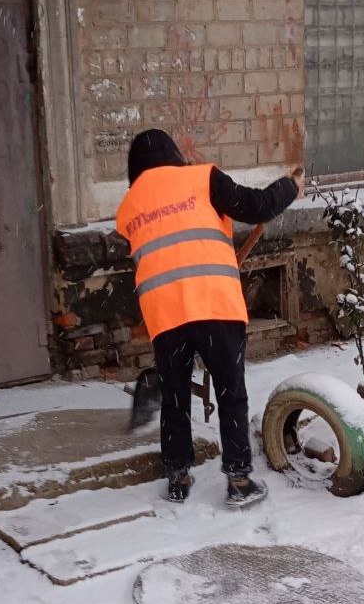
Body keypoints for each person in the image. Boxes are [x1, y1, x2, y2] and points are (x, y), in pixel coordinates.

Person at [116, 129, 305, 507]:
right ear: (174, 154)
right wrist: (290, 186)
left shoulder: (128, 208)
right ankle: (238, 481)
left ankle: (177, 476)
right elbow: (256, 207)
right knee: (229, 391)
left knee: (174, 394)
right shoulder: (202, 177)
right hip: (214, 304)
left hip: (165, 314)